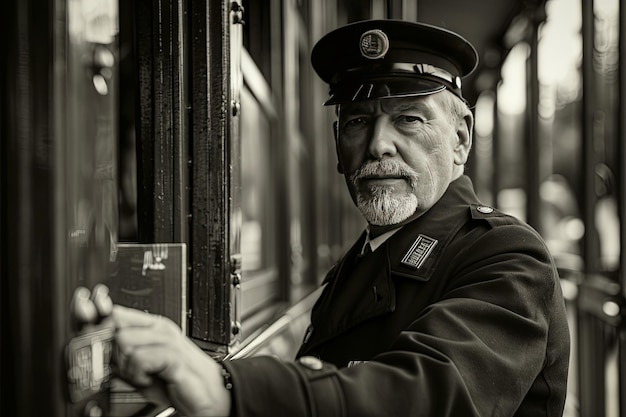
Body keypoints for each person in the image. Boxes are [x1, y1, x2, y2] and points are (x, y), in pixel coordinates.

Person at [74, 19, 570, 417]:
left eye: (408, 119)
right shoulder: (360, 261)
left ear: (461, 138)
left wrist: (227, 388)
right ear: (338, 147)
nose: (378, 144)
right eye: (358, 121)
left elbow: (430, 395)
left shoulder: (507, 257)